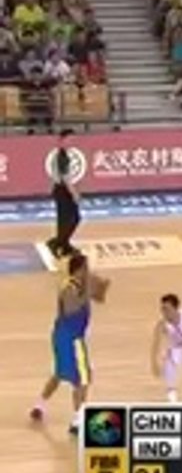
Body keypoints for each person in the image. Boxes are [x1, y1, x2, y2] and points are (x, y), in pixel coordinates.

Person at [29, 253, 109, 435]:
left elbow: (101, 298)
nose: (89, 270)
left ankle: (39, 405)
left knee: (59, 373)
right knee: (83, 378)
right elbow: (70, 309)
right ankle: (78, 421)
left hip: (64, 336)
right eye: (86, 268)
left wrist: (102, 286)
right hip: (71, 337)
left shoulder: (82, 284)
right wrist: (89, 291)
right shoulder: (69, 288)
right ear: (79, 269)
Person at [46, 129, 82, 259]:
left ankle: (61, 243)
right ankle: (58, 244)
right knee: (66, 220)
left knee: (74, 218)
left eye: (72, 139)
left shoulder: (64, 154)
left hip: (62, 189)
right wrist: (74, 193)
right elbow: (65, 178)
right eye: (69, 139)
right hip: (62, 190)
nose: (71, 142)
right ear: (61, 140)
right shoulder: (61, 156)